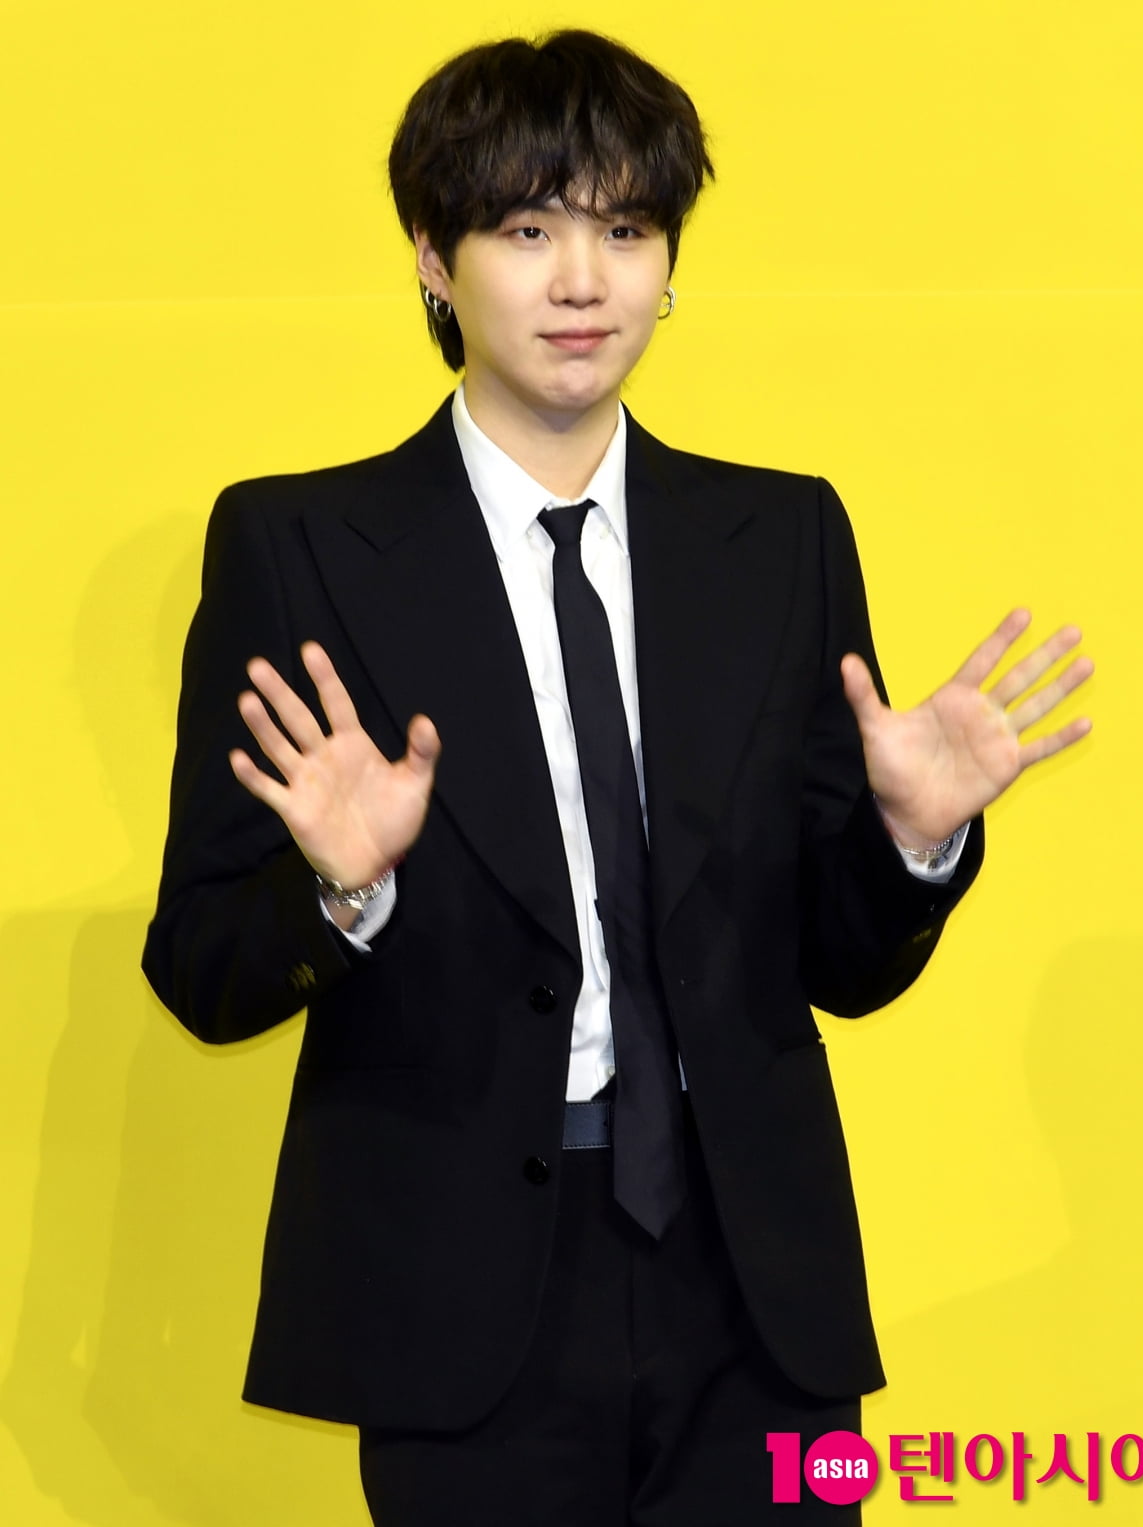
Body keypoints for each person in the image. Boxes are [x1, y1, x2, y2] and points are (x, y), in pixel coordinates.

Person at [142, 29, 1092, 1526]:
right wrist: (340, 888)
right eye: (529, 232)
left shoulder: (779, 541)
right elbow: (201, 965)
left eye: (627, 231)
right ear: (434, 262)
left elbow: (841, 968)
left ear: (669, 265)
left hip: (757, 1286)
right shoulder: (300, 547)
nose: (584, 281)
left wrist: (911, 845)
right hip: (463, 1294)